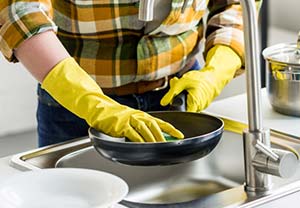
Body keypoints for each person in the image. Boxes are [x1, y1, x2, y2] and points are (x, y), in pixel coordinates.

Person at [0, 0, 261, 147]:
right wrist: (93, 105)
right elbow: (21, 13)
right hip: (75, 107)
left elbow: (234, 4)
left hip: (178, 97)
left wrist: (216, 73)